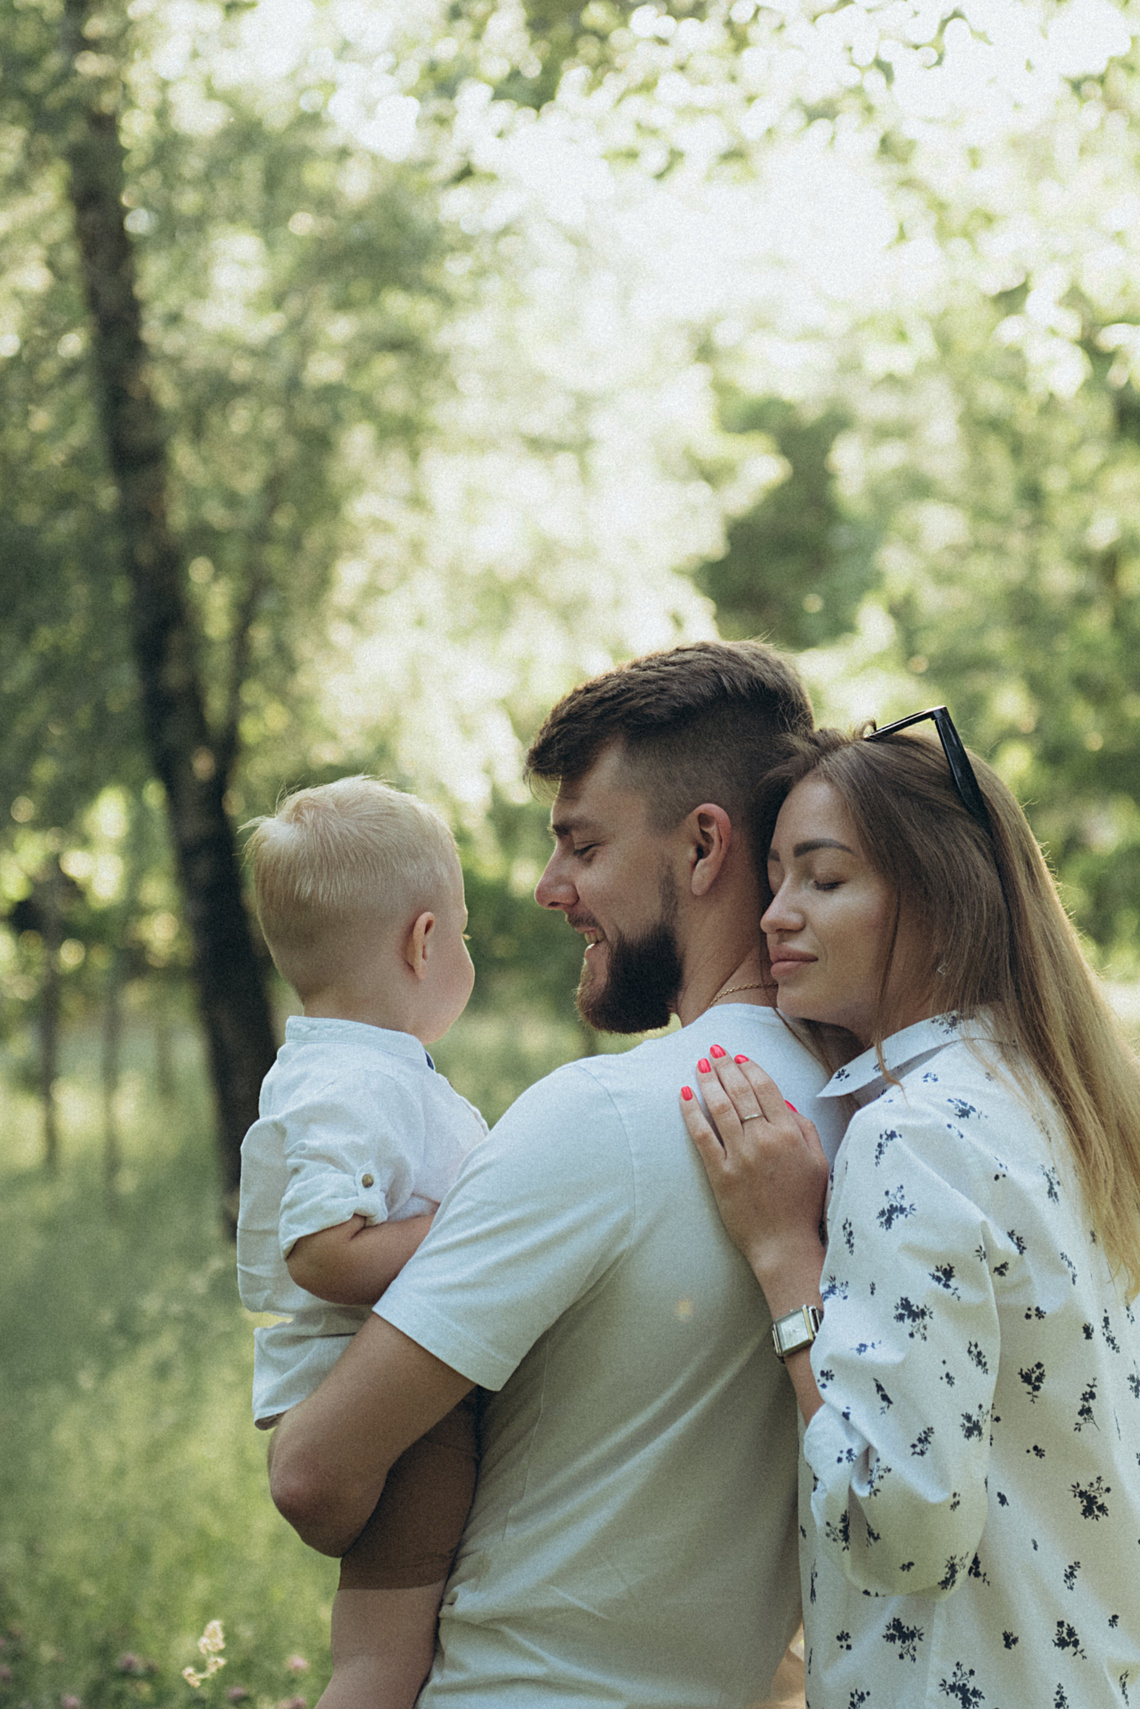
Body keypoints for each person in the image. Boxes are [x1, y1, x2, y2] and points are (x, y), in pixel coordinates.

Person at [269, 640, 850, 1709]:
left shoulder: (605, 1118)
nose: (549, 888)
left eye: (582, 844)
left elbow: (312, 1473)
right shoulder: (862, 1112)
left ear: (704, 846)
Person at [682, 710, 1140, 1709]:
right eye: (776, 880)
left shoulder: (914, 1137)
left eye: (823, 879)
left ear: (940, 899)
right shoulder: (1063, 1102)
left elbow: (901, 1525)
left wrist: (784, 1253)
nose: (774, 915)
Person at [237, 777, 487, 1709]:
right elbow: (323, 1251)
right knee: (384, 1658)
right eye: (464, 934)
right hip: (388, 1400)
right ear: (424, 942)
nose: (466, 955)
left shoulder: (357, 1068)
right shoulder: (352, 1082)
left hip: (395, 1385)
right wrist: (466, 1225)